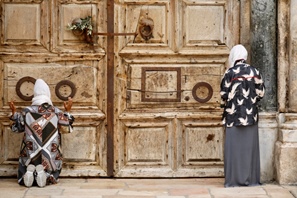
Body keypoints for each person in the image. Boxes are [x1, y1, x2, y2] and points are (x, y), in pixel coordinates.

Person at [9, 79, 75, 188]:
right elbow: (67, 128)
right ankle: (47, 175)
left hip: (31, 152)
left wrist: (14, 113)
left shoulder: (26, 111)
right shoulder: (56, 111)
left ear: (34, 94)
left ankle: (29, 172)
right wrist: (67, 111)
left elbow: (17, 128)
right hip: (49, 153)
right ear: (48, 93)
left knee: (28, 158)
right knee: (52, 158)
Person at [220, 44, 265, 187]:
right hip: (251, 116)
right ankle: (250, 180)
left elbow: (223, 95)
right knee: (249, 149)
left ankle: (232, 181)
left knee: (234, 149)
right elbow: (261, 93)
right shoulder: (255, 71)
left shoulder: (229, 73)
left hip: (233, 117)